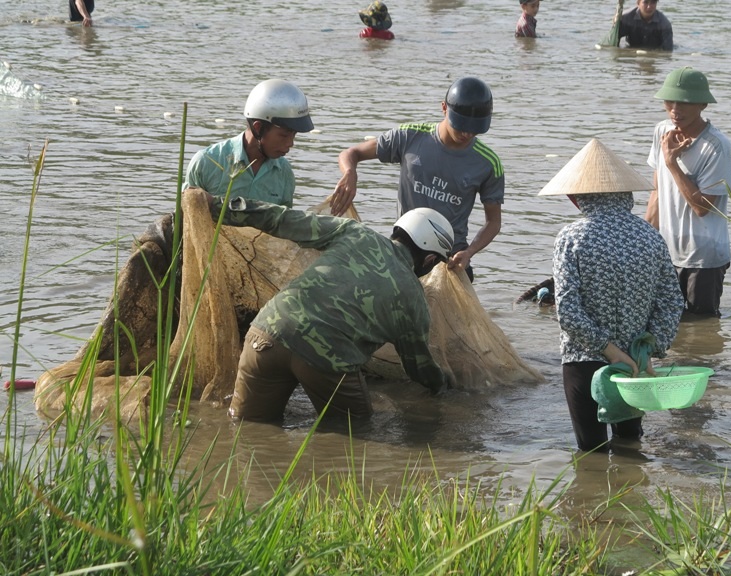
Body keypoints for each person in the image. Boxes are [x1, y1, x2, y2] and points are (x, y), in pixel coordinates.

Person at [204, 194, 456, 424]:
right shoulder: (413, 298)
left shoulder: (356, 233)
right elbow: (417, 365)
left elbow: (283, 219)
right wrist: (444, 386)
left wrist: (218, 205)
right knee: (355, 433)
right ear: (430, 259)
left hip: (266, 333)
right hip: (324, 356)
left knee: (247, 428)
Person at [541, 139, 683, 453]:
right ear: (625, 194)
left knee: (591, 452)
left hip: (585, 359)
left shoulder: (571, 237)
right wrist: (651, 346)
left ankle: (596, 499)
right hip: (635, 361)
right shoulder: (650, 236)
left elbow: (567, 311)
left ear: (577, 197)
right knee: (630, 443)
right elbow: (672, 301)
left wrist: (607, 349)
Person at [329, 76, 503, 282]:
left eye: (474, 129)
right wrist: (350, 173)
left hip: (450, 258)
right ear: (444, 108)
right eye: (461, 126)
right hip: (405, 248)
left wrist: (470, 252)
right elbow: (351, 153)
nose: (467, 133)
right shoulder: (410, 137)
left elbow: (493, 221)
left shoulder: (488, 163)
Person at [644, 67, 731, 317]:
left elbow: (702, 207)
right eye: (669, 101)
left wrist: (672, 163)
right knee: (664, 322)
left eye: (684, 102)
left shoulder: (716, 146)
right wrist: (643, 241)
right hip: (667, 252)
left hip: (703, 258)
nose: (675, 109)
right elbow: (657, 193)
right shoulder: (662, 132)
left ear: (703, 104)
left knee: (702, 325)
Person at [183, 79, 314, 207]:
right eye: (284, 135)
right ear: (258, 128)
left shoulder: (284, 173)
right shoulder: (206, 162)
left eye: (294, 135)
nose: (290, 143)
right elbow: (186, 217)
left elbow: (284, 223)